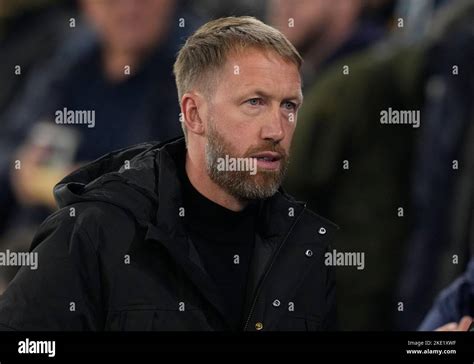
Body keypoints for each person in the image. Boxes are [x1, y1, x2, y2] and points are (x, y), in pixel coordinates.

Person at [0, 16, 338, 331]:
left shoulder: (308, 246)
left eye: (289, 106)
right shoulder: (94, 231)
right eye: (254, 102)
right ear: (194, 114)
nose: (276, 130)